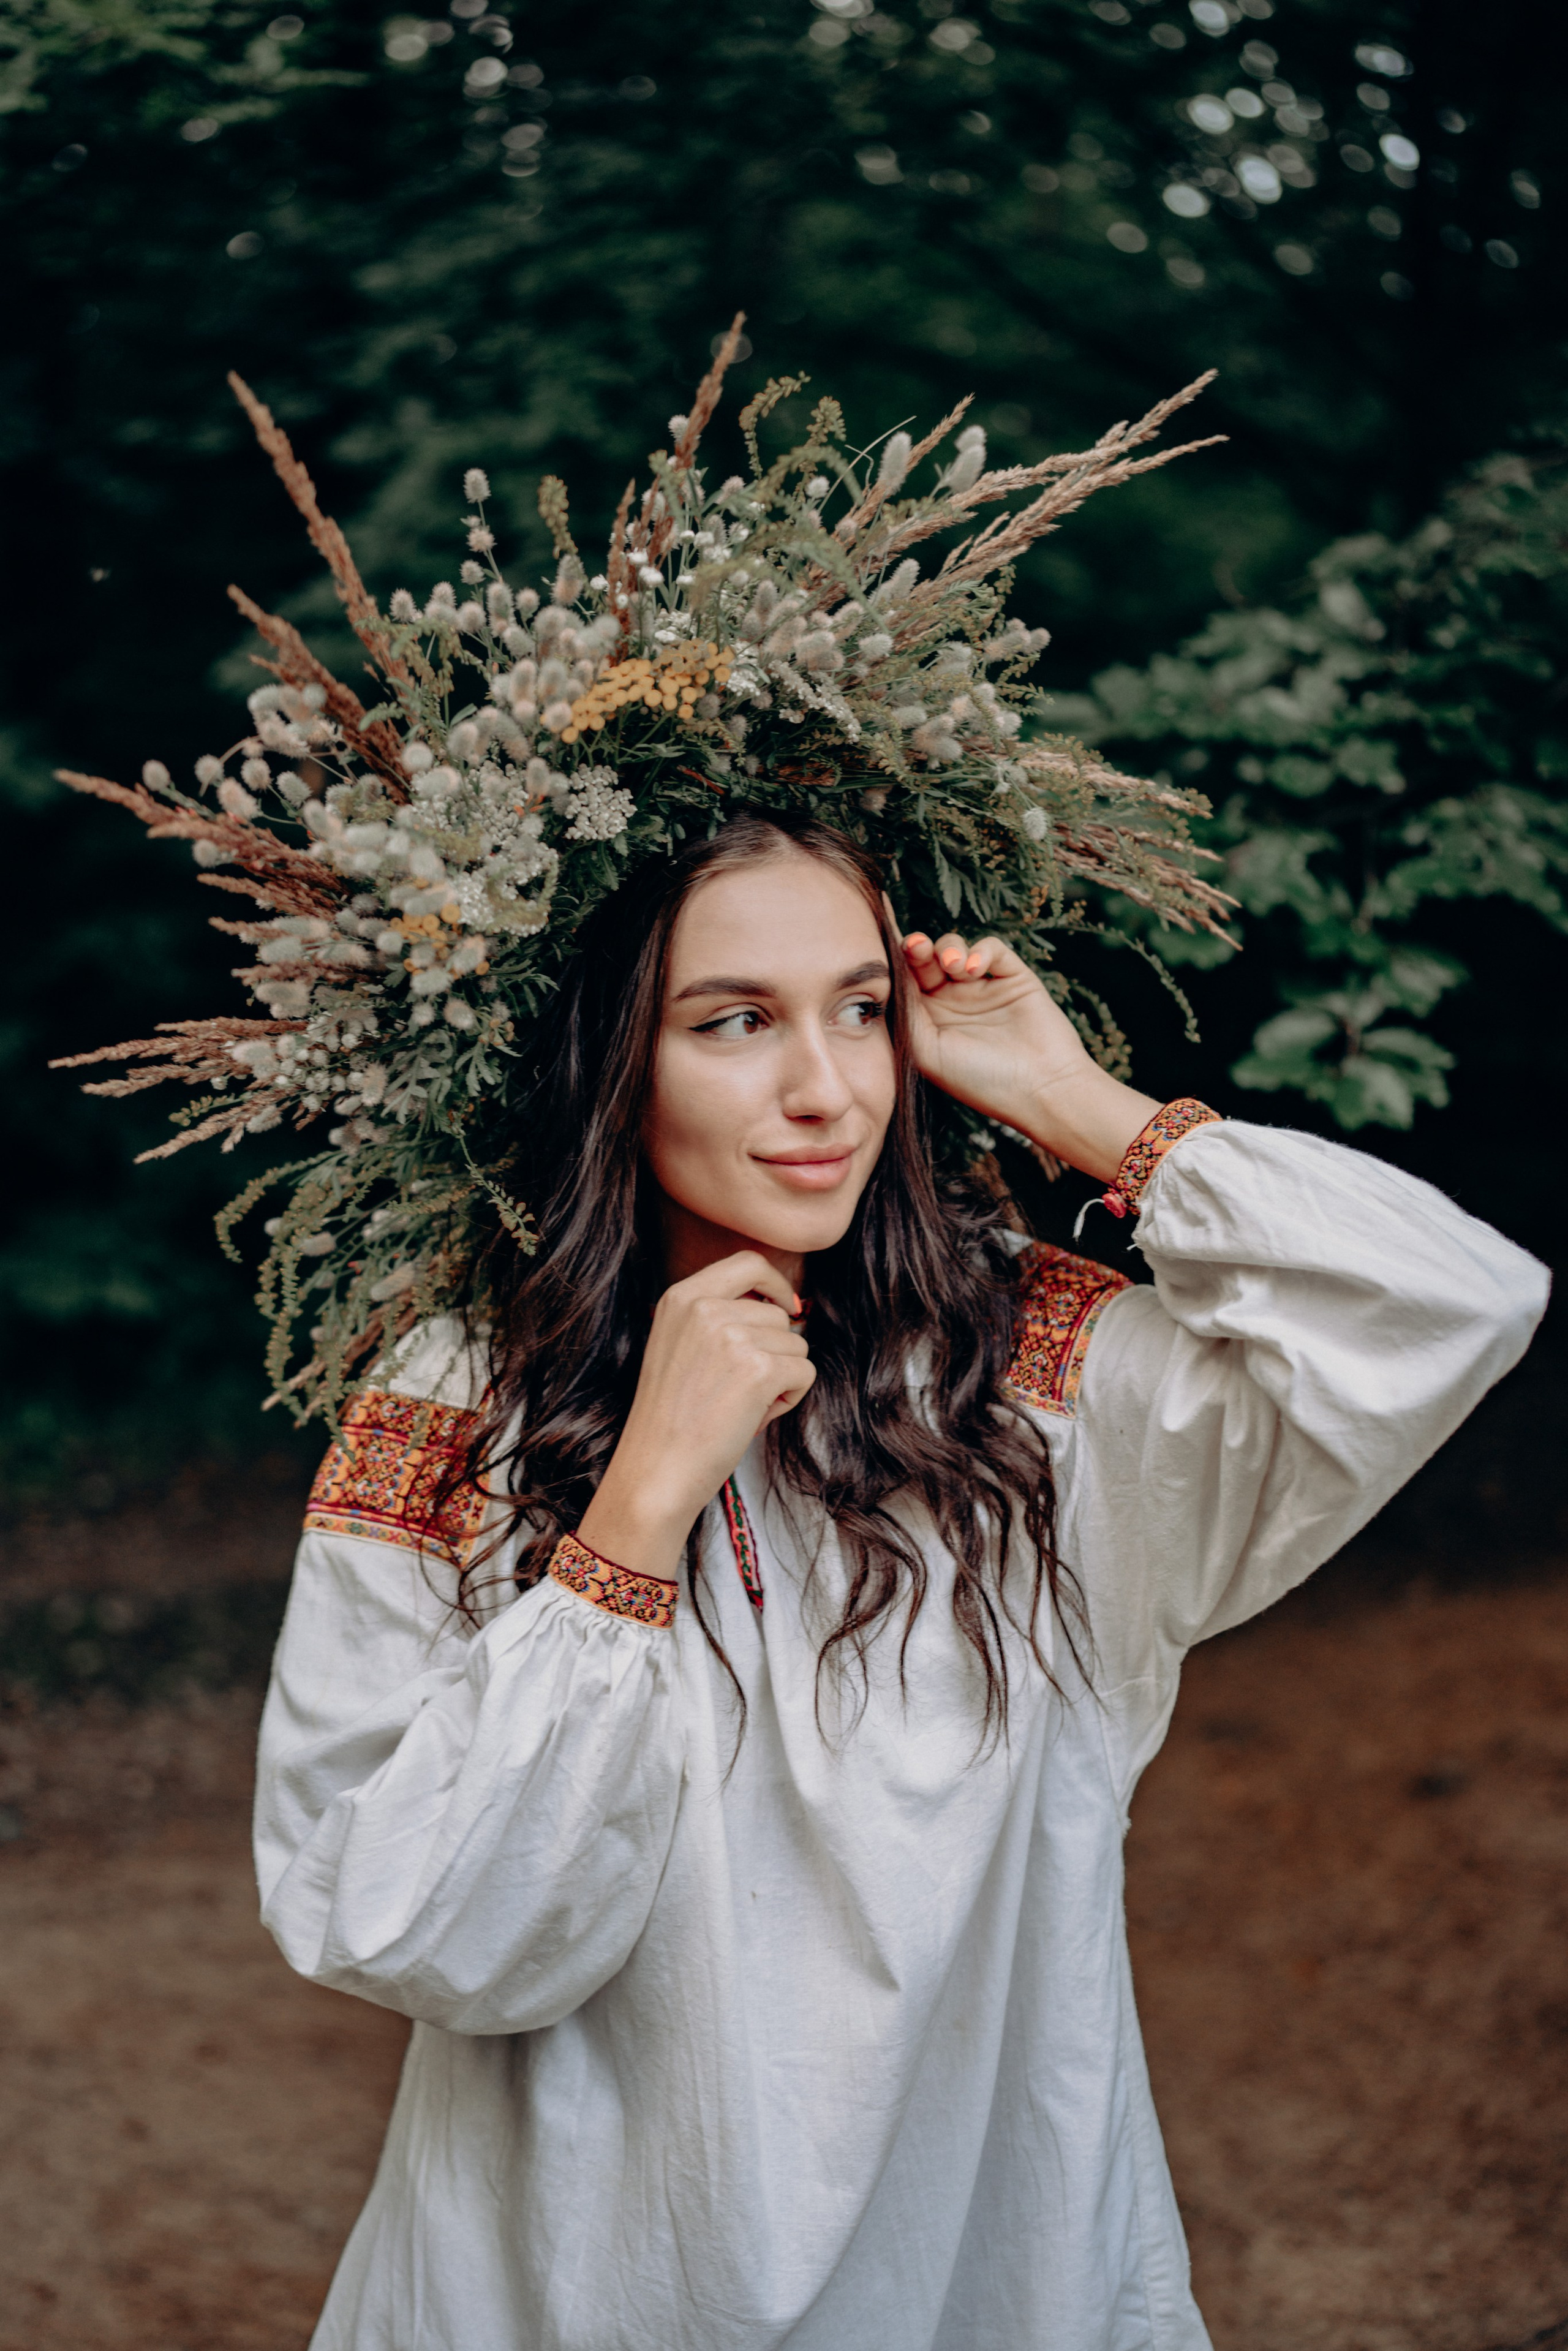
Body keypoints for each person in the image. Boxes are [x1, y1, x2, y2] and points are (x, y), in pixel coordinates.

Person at [254, 810, 1547, 2351]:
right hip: (573, 2282)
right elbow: (409, 1925)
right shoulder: (455, 1404)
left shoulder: (1030, 1385)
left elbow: (1453, 1302)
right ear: (603, 1055)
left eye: (861, 1009)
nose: (824, 1090)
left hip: (990, 2267)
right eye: (732, 1020)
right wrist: (640, 1503)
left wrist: (1072, 1099)